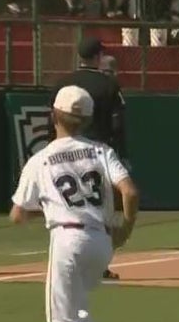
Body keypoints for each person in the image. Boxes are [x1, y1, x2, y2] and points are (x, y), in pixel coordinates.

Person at [9, 86, 139, 322]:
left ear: (54, 115)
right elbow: (129, 191)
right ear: (87, 120)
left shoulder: (41, 159)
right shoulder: (101, 150)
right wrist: (125, 229)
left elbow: (17, 213)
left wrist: (48, 206)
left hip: (67, 238)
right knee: (76, 305)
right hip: (101, 241)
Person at [54, 37, 129, 280]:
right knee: (102, 210)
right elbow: (118, 124)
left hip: (64, 152)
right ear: (98, 57)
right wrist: (122, 154)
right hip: (97, 152)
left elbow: (53, 119)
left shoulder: (62, 83)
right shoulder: (108, 84)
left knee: (68, 209)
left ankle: (67, 262)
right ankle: (100, 265)